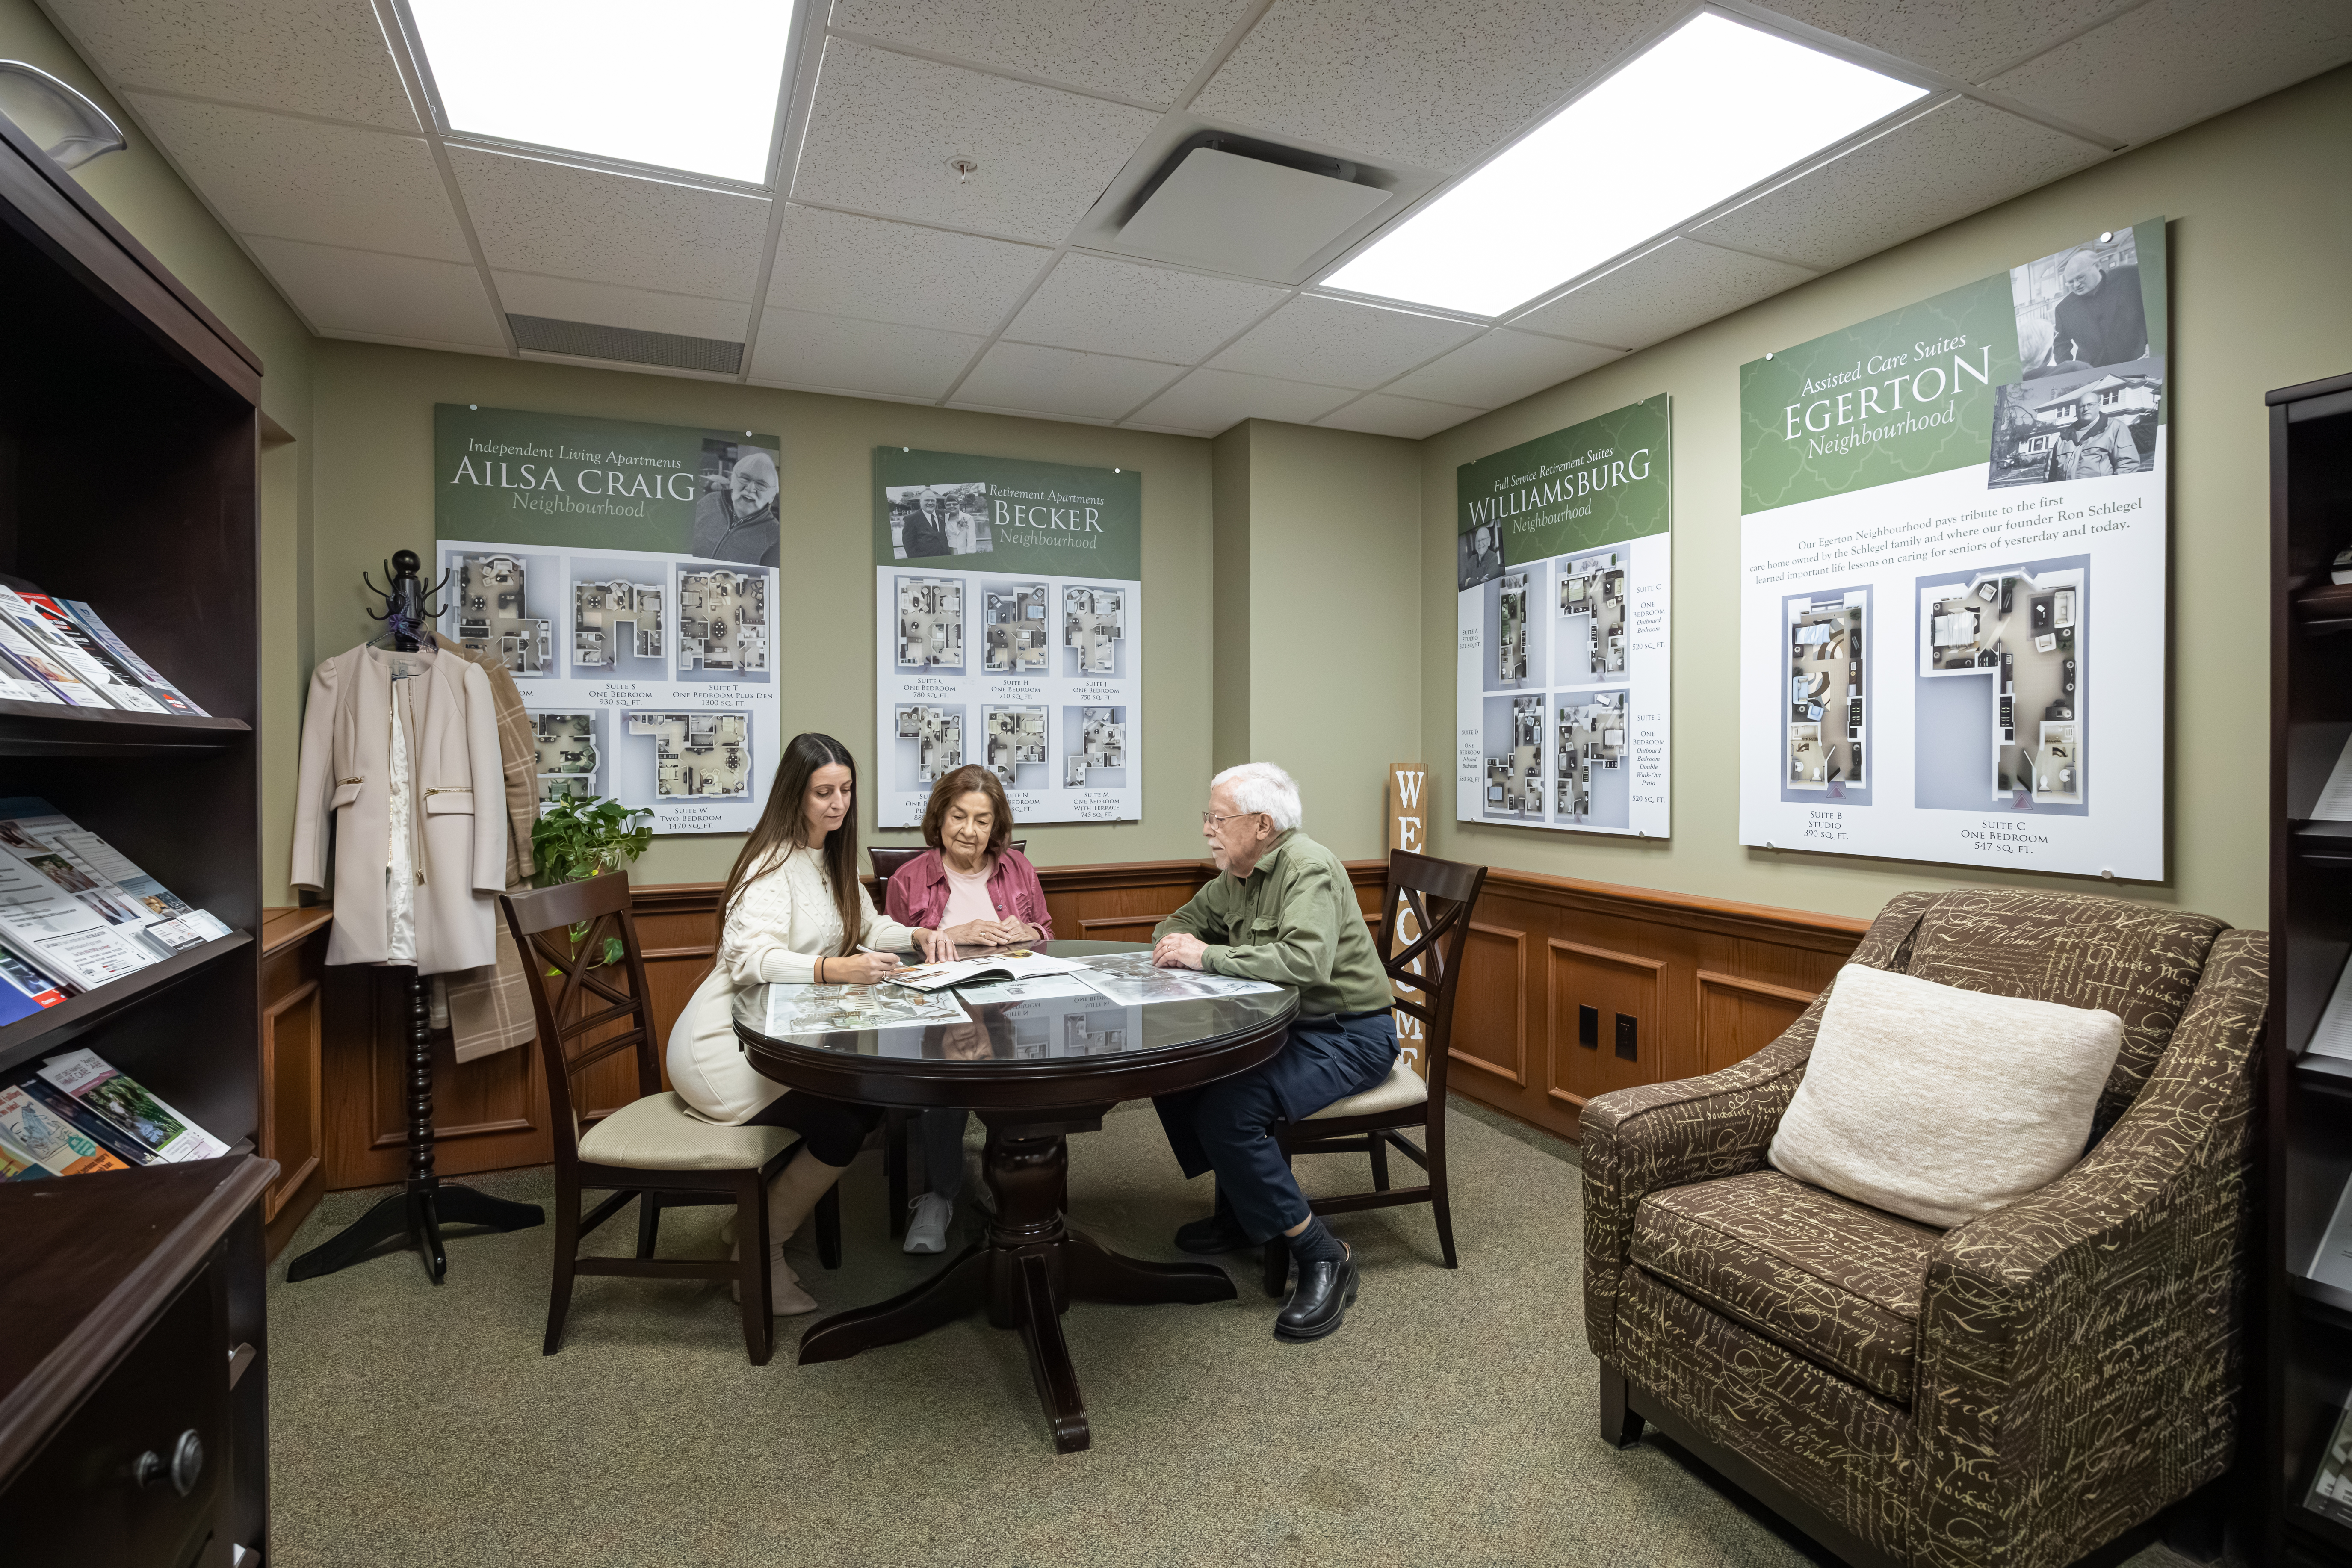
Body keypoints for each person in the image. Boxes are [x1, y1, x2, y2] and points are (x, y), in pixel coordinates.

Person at [667, 732, 950, 1313]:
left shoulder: (830, 857)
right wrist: (833, 967)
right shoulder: (772, 865)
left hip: (776, 1037)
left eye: (846, 789)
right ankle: (759, 1250)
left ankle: (748, 1233)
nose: (838, 803)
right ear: (796, 794)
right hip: (724, 1046)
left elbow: (869, 927)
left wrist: (916, 933)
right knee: (843, 1120)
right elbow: (750, 961)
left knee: (863, 1105)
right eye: (824, 791)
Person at [1148, 762, 1399, 1343]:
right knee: (1179, 1072)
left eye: (1218, 818)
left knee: (1228, 1111)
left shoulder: (1307, 866)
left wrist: (1203, 956)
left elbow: (1304, 963)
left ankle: (1324, 1254)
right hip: (1288, 1029)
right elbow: (1180, 922)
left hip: (1351, 1034)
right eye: (1207, 817)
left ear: (1261, 824)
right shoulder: (1237, 871)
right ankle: (1245, 1205)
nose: (1208, 828)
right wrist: (1176, 941)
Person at [883, 763, 1052, 1253]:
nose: (970, 831)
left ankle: (1025, 1189)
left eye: (983, 820)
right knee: (946, 1071)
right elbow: (888, 957)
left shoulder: (1017, 868)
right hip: (936, 1009)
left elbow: (1047, 931)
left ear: (996, 826)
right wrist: (950, 935)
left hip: (1010, 1007)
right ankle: (938, 1196)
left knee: (1037, 1070)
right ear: (939, 818)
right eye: (960, 816)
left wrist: (1030, 933)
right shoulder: (908, 879)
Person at [2046, 248, 2147, 371]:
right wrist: (2067, 372)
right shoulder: (2063, 309)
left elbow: (2152, 310)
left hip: (2139, 363)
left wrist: (2153, 346)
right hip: (2094, 372)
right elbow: (2061, 344)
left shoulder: (2130, 277)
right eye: (2071, 282)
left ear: (2098, 265)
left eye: (2080, 278)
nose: (2076, 285)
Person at [693, 446, 780, 564]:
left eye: (761, 484)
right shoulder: (708, 502)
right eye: (745, 478)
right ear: (732, 480)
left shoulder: (774, 535)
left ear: (772, 496)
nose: (750, 489)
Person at [2052, 395, 2141, 479]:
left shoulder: (2115, 427)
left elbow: (2128, 464)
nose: (2086, 409)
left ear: (2099, 406)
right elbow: (2051, 471)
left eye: (2090, 405)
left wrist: (2109, 489)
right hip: (2068, 493)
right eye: (2081, 406)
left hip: (2099, 492)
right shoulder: (2064, 436)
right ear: (2076, 410)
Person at [900, 487, 952, 558]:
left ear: (936, 502)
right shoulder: (911, 519)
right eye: (927, 500)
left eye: (933, 501)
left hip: (946, 559)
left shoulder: (942, 515)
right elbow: (909, 545)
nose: (930, 503)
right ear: (921, 502)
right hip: (927, 560)